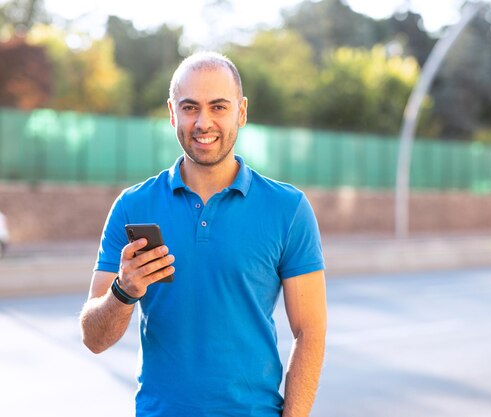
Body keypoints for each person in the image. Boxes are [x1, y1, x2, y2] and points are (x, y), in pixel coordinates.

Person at [79, 51, 327, 417]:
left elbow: (310, 332)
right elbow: (93, 339)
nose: (203, 122)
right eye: (190, 107)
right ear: (172, 113)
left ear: (241, 112)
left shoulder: (288, 209)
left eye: (219, 107)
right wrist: (124, 290)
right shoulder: (133, 206)